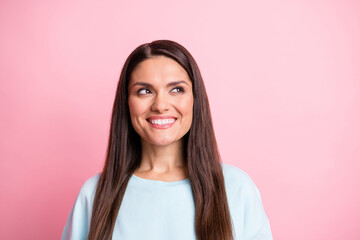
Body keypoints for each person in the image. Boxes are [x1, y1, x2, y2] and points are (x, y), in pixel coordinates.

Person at [61, 40, 273, 240]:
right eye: (144, 91)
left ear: (195, 99)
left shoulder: (236, 188)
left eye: (176, 89)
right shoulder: (95, 194)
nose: (160, 105)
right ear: (126, 103)